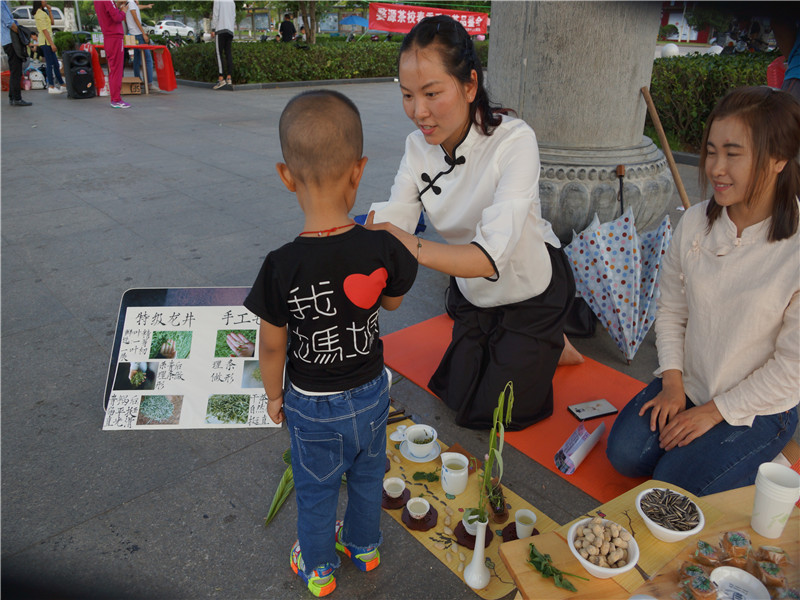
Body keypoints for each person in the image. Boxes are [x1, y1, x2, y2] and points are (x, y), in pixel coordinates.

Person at [244, 90, 417, 597]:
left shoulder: (280, 266)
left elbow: (273, 348)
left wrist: (274, 396)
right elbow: (390, 305)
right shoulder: (380, 244)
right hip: (371, 393)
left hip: (313, 407)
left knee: (317, 490)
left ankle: (318, 569)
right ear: (358, 171)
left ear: (286, 176)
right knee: (367, 477)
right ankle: (365, 548)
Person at [366, 15, 576, 430]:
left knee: (494, 415)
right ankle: (546, 344)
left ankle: (551, 337)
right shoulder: (416, 147)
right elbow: (399, 216)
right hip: (473, 287)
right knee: (455, 393)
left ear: (469, 85)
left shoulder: (514, 140)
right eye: (407, 95)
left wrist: (405, 245)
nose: (418, 112)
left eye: (431, 93)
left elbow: (489, 254)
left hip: (529, 283)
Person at [606, 87, 800, 497]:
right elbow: (672, 311)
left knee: (672, 483)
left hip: (760, 405)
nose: (716, 168)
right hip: (694, 382)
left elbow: (790, 370)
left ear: (779, 158)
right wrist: (674, 385)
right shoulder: (695, 222)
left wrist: (713, 414)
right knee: (624, 454)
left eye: (733, 153)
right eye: (711, 151)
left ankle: (771, 449)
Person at [93, 0, 129, 108]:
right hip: (115, 37)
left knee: (113, 69)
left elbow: (109, 13)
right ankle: (116, 99)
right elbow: (117, 17)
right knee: (116, 69)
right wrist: (123, 11)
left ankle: (115, 98)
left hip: (109, 36)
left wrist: (117, 6)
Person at [2, 1, 32, 106]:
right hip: (11, 41)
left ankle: (12, 97)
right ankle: (17, 99)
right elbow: (9, 23)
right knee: (16, 70)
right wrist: (21, 35)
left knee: (14, 70)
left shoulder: (4, 2)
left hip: (8, 41)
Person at [33, 1, 64, 94]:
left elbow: (52, 23)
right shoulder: (39, 14)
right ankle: (51, 85)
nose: (45, 1)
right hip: (46, 42)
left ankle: (62, 84)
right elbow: (44, 30)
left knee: (55, 64)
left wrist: (50, 11)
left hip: (48, 41)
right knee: (50, 64)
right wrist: (52, 44)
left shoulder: (43, 12)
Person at [125, 0, 156, 91]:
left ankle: (137, 81)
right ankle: (149, 83)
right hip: (138, 35)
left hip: (133, 34)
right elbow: (135, 18)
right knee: (148, 59)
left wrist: (147, 6)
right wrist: (143, 33)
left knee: (137, 60)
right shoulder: (131, 2)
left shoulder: (131, 3)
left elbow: (138, 7)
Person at [211, 0, 235, 90]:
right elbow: (234, 16)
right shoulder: (232, 2)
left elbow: (215, 14)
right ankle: (229, 77)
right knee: (228, 53)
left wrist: (213, 28)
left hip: (220, 29)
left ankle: (221, 78)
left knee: (219, 53)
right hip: (230, 30)